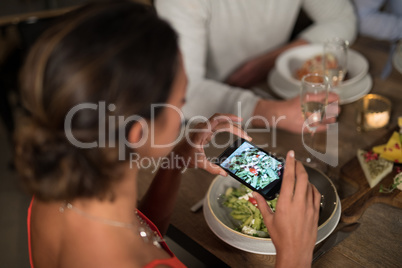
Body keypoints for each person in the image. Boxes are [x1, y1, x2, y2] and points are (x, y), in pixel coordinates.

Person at [14, 1, 321, 267]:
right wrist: (294, 255)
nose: (185, 114)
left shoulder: (59, 184)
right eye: (182, 102)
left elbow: (144, 232)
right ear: (137, 132)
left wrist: (176, 160)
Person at [155, 0, 357, 133]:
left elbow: (342, 19)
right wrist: (274, 112)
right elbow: (184, 93)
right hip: (200, 117)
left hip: (271, 92)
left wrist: (265, 62)